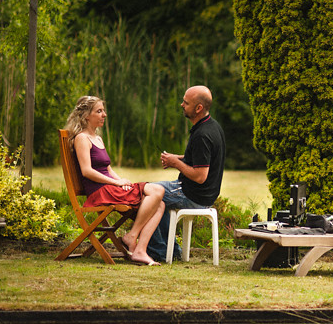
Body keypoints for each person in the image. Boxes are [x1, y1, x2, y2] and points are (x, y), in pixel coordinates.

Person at [64, 95, 166, 266]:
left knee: (160, 203)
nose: (104, 115)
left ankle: (139, 250)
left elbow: (108, 168)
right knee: (158, 190)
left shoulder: (97, 138)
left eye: (103, 110)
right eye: (99, 111)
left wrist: (122, 181)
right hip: (100, 192)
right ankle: (131, 237)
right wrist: (116, 183)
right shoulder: (82, 138)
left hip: (110, 187)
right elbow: (87, 171)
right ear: (86, 115)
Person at [146, 85, 226, 263]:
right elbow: (201, 159)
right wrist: (178, 157)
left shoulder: (202, 135)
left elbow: (200, 176)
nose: (181, 104)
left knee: (148, 193)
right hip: (205, 195)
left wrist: (175, 163)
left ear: (198, 108)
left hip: (192, 195)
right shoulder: (212, 126)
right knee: (156, 195)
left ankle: (159, 251)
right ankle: (171, 250)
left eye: (186, 102)